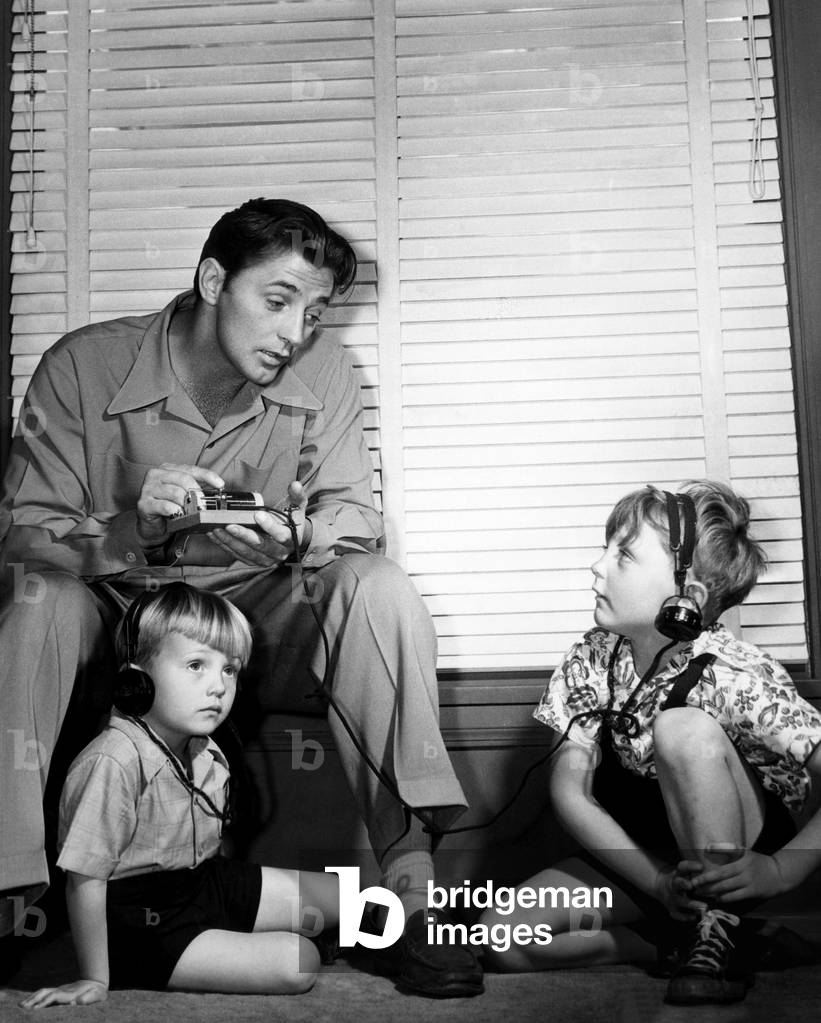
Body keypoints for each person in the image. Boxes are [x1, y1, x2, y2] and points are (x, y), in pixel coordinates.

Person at [0, 198, 483, 998]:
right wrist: (129, 528)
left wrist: (296, 539)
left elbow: (356, 518)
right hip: (120, 622)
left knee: (378, 586)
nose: (297, 331)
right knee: (36, 601)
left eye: (316, 310)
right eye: (278, 299)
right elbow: (21, 537)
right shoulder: (81, 365)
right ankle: (11, 894)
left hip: (257, 620)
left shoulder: (324, 369)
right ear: (213, 278)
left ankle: (408, 888)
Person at [479, 480, 821, 1006]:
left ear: (688, 598)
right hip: (642, 855)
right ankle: (665, 944)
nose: (599, 565)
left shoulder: (737, 673)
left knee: (679, 726)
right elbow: (571, 793)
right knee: (503, 938)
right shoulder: (591, 660)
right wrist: (657, 882)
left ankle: (718, 930)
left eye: (625, 555)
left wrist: (781, 870)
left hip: (733, 857)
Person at [19, 582, 340, 1007]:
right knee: (299, 962)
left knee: (343, 897)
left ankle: (254, 938)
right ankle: (250, 947)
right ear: (137, 677)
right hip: (142, 921)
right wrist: (95, 978)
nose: (219, 687)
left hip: (202, 883)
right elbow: (84, 878)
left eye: (229, 669)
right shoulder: (111, 761)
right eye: (195, 665)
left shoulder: (204, 747)